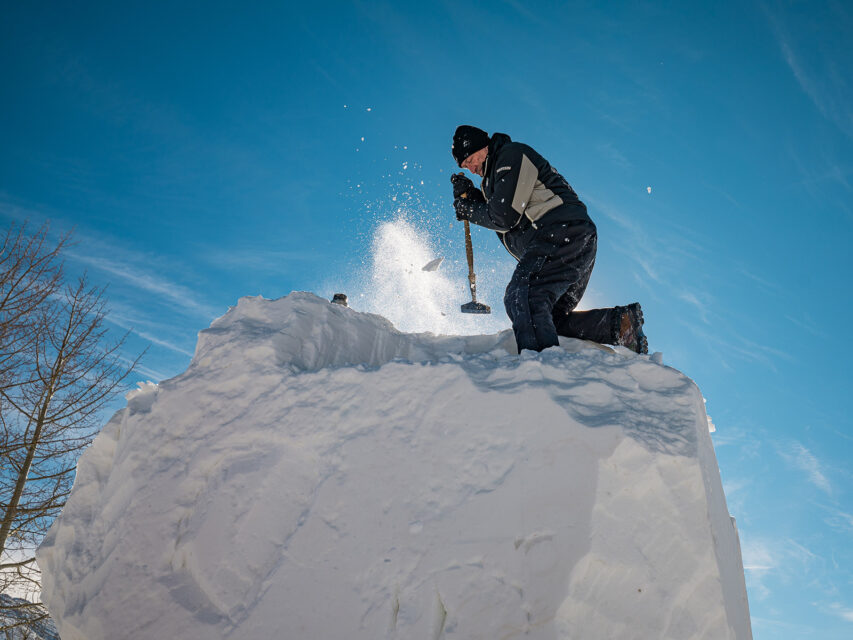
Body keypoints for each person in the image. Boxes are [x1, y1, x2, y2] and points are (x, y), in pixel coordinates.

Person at [450, 125, 647, 354]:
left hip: (559, 231)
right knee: (548, 316)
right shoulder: (496, 177)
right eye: (466, 166)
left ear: (483, 146)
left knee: (523, 296)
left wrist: (470, 209)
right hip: (572, 238)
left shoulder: (510, 155)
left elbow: (504, 216)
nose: (472, 168)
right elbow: (500, 208)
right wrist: (472, 200)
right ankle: (621, 325)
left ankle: (542, 372)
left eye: (471, 159)